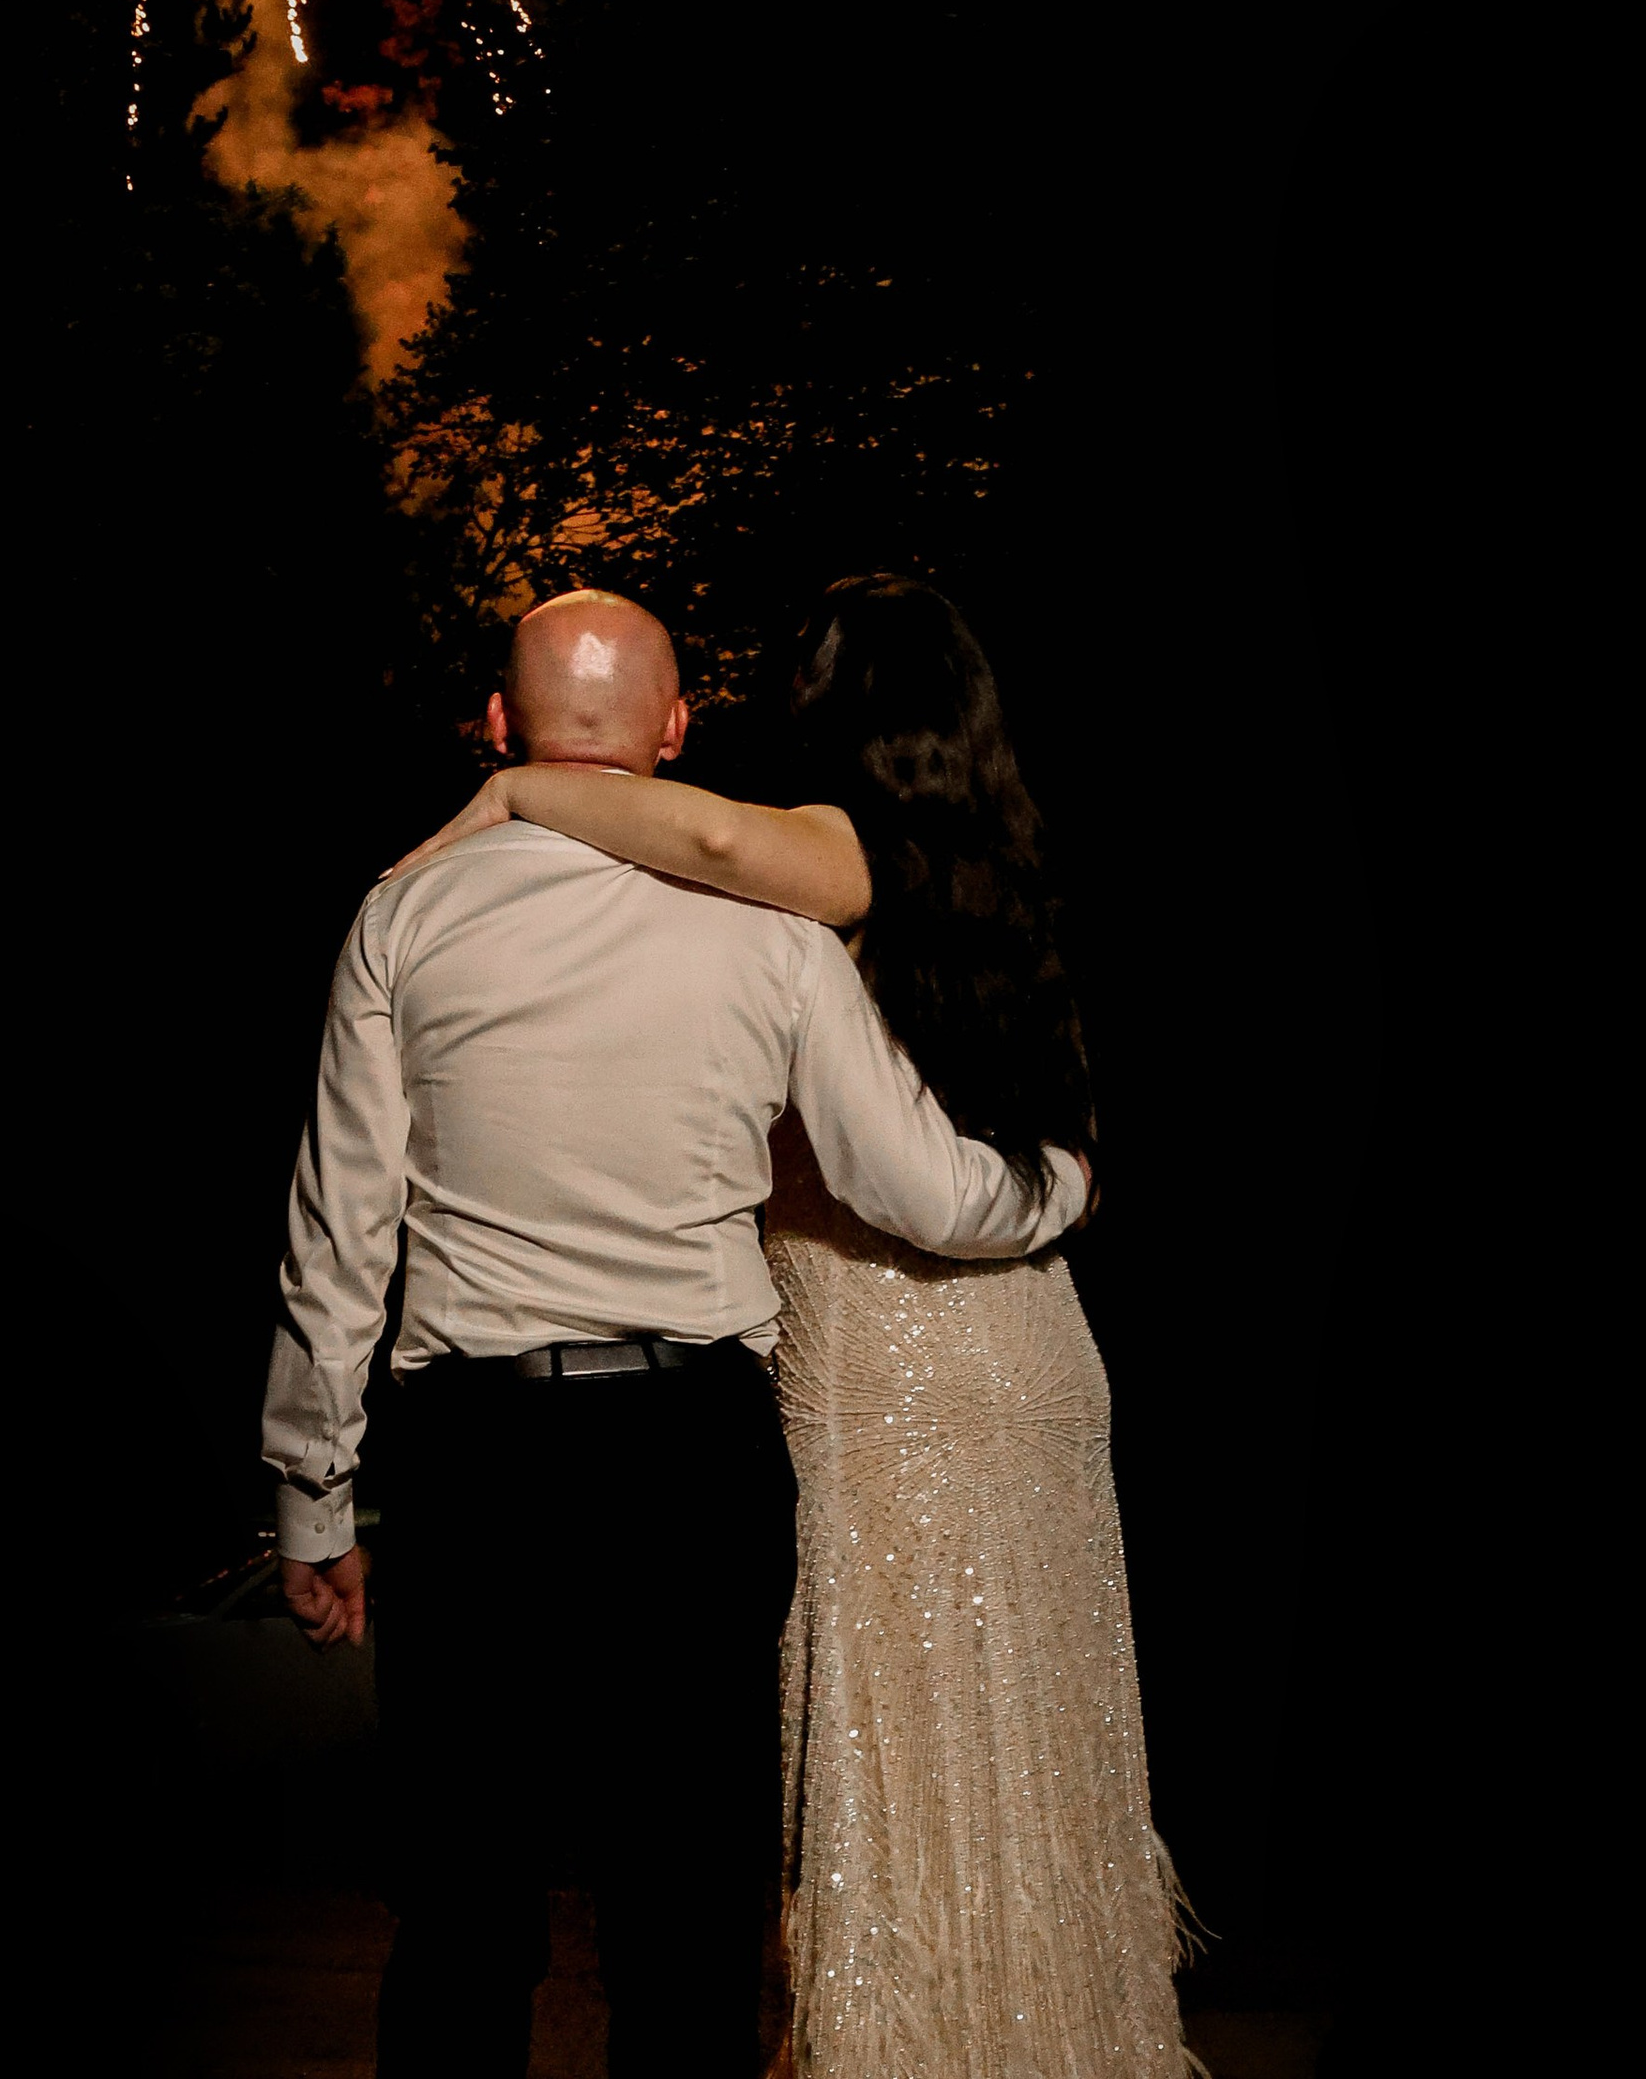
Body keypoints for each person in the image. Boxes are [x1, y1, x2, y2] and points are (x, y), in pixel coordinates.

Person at [265, 588, 1089, 2079]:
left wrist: (313, 1495)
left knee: (461, 1917)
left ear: (498, 726)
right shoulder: (774, 931)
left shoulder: (405, 910)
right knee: (692, 1930)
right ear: (679, 729)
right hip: (692, 1456)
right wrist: (1063, 1182)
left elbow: (339, 1235)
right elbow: (917, 1191)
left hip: (474, 1460)